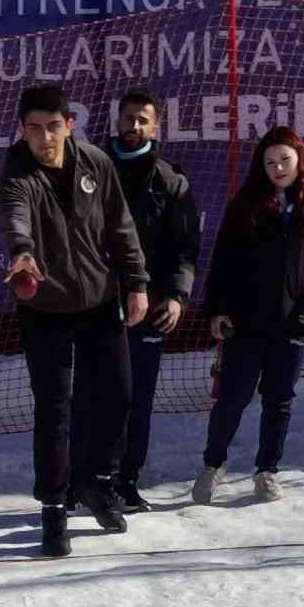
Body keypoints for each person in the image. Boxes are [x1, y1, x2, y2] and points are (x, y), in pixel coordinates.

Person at [0, 84, 149, 558]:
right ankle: (54, 508)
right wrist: (22, 253)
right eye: (34, 129)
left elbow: (121, 226)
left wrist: (136, 282)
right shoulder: (16, 174)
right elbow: (15, 218)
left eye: (52, 127)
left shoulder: (95, 163)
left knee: (119, 394)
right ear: (22, 130)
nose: (44, 138)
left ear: (70, 124)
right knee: (55, 409)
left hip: (100, 301)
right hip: (45, 310)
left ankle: (98, 483)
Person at [192, 125, 304, 505]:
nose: (278, 168)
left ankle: (267, 471)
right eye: (270, 162)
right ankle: (213, 464)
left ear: (300, 161)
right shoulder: (245, 206)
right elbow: (223, 264)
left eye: (285, 160)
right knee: (232, 397)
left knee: (278, 400)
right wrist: (219, 310)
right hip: (246, 322)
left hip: (294, 324)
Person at [71, 89, 199, 513]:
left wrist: (176, 296)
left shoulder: (171, 180)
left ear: (155, 125)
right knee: (86, 393)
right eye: (129, 118)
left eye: (143, 119)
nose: (135, 126)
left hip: (149, 307)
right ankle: (77, 482)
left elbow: (184, 248)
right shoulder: (88, 169)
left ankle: (124, 481)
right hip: (93, 304)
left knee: (135, 398)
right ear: (117, 120)